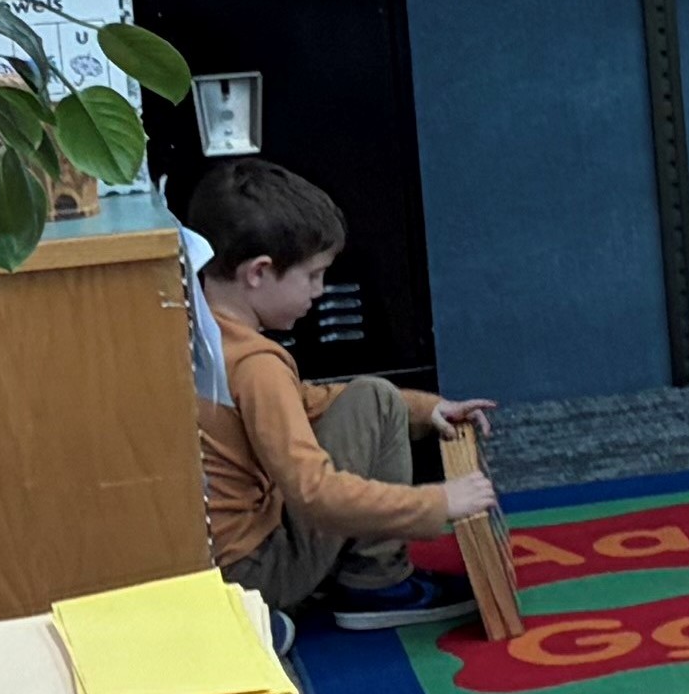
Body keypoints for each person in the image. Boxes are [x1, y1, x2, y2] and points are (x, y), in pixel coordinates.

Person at [185, 156, 492, 627]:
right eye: (312, 275)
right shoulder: (257, 365)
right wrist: (440, 502)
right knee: (376, 401)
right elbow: (314, 494)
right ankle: (378, 582)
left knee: (374, 398)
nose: (320, 291)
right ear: (257, 272)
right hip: (255, 574)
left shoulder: (196, 328)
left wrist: (427, 409)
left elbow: (307, 401)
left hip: (207, 563)